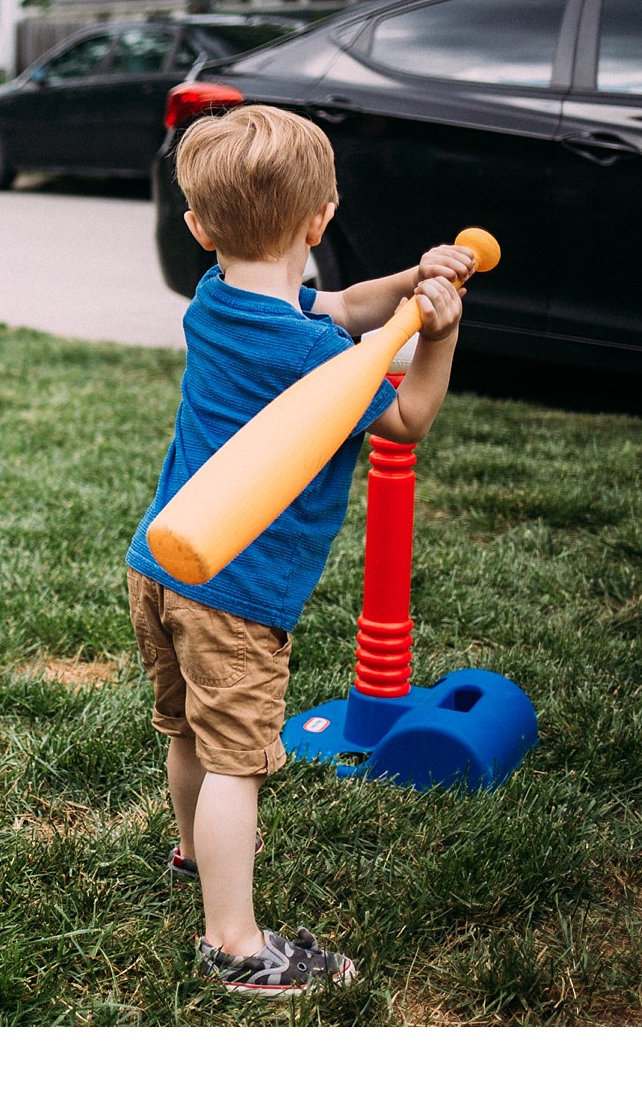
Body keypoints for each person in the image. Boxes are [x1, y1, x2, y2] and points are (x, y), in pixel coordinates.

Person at [125, 104, 477, 997]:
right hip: (237, 595)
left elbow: (352, 304)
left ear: (199, 227)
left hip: (161, 566)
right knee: (237, 760)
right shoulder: (319, 358)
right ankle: (235, 942)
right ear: (321, 220)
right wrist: (439, 335)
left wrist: (417, 280)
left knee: (191, 735)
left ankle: (191, 849)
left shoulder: (217, 302)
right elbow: (406, 415)